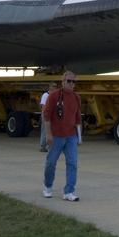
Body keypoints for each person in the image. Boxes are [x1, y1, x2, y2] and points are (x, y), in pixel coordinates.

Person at [41, 72, 81, 201]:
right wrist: (48, 134)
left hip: (71, 136)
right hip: (56, 136)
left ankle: (69, 191)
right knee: (51, 163)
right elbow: (46, 116)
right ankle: (48, 186)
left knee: (73, 163)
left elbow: (78, 118)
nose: (71, 84)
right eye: (69, 81)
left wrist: (79, 136)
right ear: (63, 82)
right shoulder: (54, 96)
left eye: (73, 82)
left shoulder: (76, 97)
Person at [39, 80, 60, 152]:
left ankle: (49, 146)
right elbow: (43, 106)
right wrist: (45, 115)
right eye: (53, 86)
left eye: (56, 86)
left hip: (53, 115)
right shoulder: (46, 95)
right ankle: (43, 146)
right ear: (50, 87)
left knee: (52, 131)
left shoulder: (55, 96)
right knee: (45, 131)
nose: (55, 88)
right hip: (46, 114)